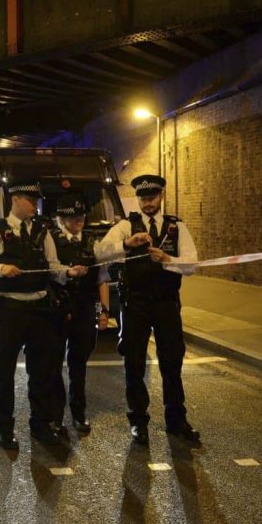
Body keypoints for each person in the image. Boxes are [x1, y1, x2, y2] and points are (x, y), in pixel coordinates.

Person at [0, 179, 79, 449]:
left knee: (41, 371)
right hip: (10, 309)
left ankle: (40, 425)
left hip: (40, 308)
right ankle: (4, 428)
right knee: (4, 372)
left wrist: (68, 272)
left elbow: (52, 266)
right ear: (15, 200)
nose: (35, 206)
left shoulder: (43, 231)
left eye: (36, 201)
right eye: (30, 201)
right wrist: (1, 269)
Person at [96, 174, 200, 445]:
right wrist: (125, 245)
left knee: (172, 361)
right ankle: (138, 421)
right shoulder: (125, 226)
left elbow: (192, 265)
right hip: (135, 304)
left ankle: (176, 420)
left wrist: (168, 259)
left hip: (166, 303)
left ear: (161, 196)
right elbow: (99, 253)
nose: (148, 202)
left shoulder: (176, 227)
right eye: (143, 198)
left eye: (152, 197)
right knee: (134, 363)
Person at [48, 192, 110, 435]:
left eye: (81, 216)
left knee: (79, 365)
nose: (79, 221)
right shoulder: (52, 241)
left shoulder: (93, 243)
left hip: (84, 309)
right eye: (73, 217)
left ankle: (79, 414)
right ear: (62, 219)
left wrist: (103, 311)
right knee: (54, 364)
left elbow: (102, 279)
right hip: (58, 310)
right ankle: (55, 416)